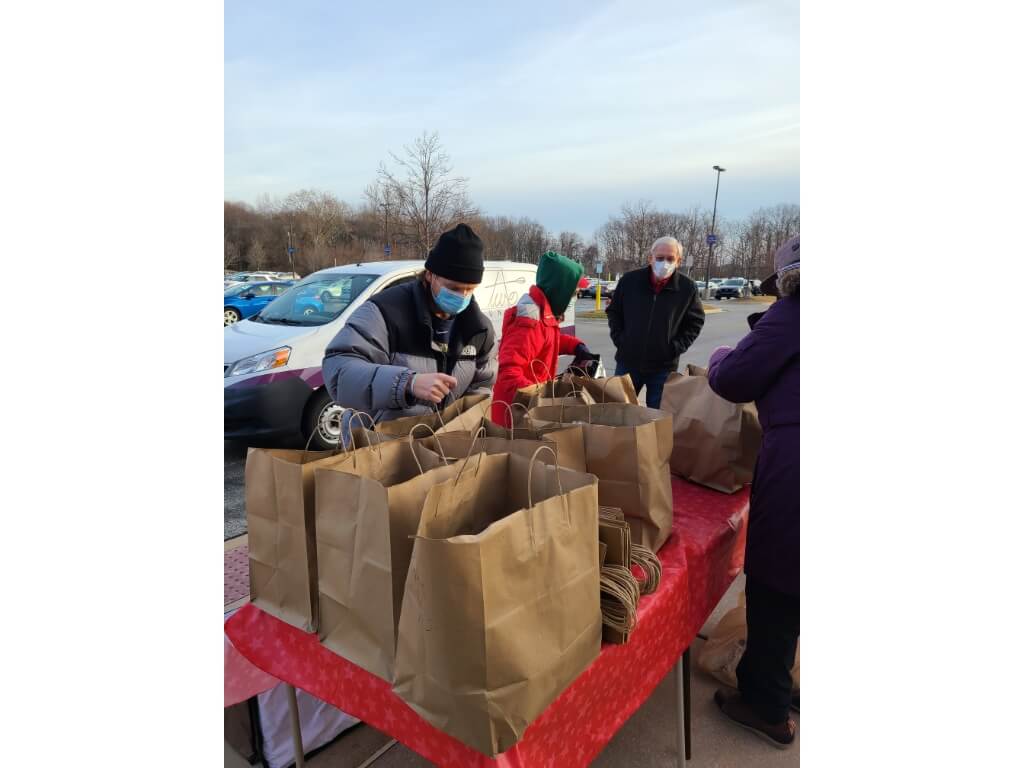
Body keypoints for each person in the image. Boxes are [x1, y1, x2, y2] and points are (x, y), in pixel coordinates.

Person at [707, 234, 800, 749]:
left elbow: (734, 378)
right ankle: (786, 682)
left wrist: (723, 354)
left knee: (776, 584)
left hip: (798, 467)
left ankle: (767, 705)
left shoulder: (795, 313)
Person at [322, 223, 496, 432]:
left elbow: (481, 386)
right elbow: (338, 371)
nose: (462, 297)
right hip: (378, 447)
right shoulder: (384, 312)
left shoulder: (478, 329)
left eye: (470, 289)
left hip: (438, 449)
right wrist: (407, 383)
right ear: (430, 275)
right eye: (454, 288)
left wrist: (463, 428)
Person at [491, 251, 597, 427]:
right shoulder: (528, 324)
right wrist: (542, 395)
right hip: (515, 414)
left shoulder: (543, 314)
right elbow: (509, 373)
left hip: (527, 408)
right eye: (573, 293)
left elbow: (547, 340)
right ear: (559, 290)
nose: (575, 298)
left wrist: (576, 346)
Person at [605, 236, 704, 408]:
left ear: (678, 261)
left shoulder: (687, 288)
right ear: (650, 258)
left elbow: (695, 322)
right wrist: (621, 340)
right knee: (620, 413)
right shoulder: (630, 281)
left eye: (670, 258)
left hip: (663, 367)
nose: (664, 262)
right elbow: (614, 312)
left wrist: (675, 348)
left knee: (658, 419)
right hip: (628, 362)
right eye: (659, 258)